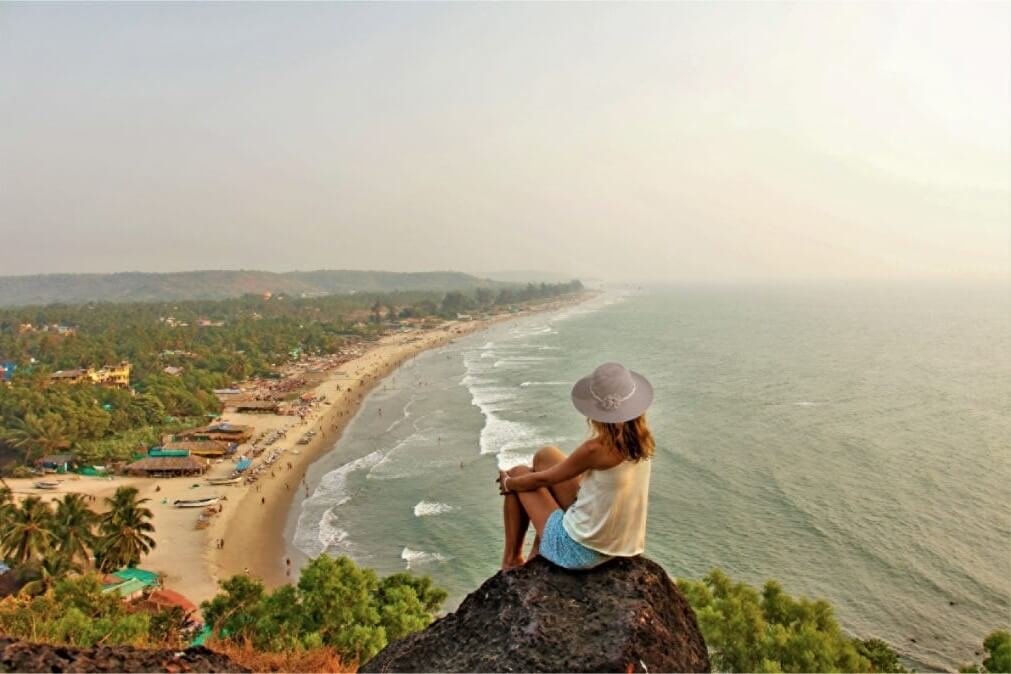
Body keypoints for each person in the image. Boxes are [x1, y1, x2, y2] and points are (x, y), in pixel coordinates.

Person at [497, 362, 654, 571]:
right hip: (620, 546)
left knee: (519, 474)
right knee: (546, 455)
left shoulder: (596, 449)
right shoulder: (642, 442)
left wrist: (509, 483)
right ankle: (537, 550)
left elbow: (544, 479)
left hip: (578, 552)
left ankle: (512, 559)